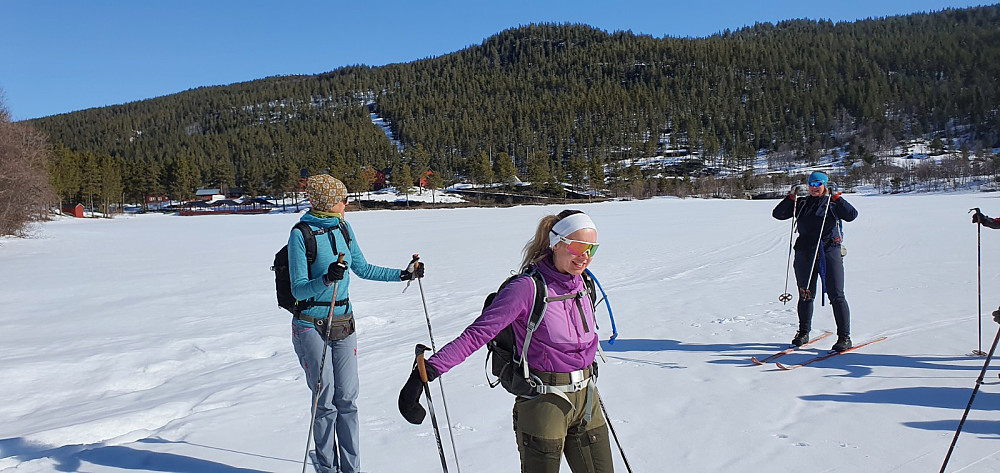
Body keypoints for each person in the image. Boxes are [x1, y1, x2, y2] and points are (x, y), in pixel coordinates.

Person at [397, 209, 614, 473]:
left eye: (592, 249)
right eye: (578, 247)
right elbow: (477, 334)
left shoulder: (583, 283)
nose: (585, 257)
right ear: (556, 243)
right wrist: (426, 372)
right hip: (543, 400)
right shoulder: (526, 288)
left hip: (587, 397)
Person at [289, 174, 424, 473]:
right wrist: (326, 279)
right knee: (325, 401)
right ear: (327, 202)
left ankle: (352, 469)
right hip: (310, 324)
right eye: (342, 199)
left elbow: (363, 268)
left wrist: (403, 275)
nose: (346, 203)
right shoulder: (301, 234)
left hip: (344, 322)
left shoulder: (344, 228)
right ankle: (326, 467)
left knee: (347, 398)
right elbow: (298, 288)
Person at [772, 171, 859, 352]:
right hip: (805, 252)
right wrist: (791, 197)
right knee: (805, 294)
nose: (814, 188)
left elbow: (851, 215)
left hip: (829, 251)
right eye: (811, 184)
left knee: (836, 294)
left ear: (825, 185)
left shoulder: (832, 203)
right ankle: (803, 332)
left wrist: (837, 197)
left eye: (818, 184)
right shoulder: (802, 203)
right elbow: (778, 214)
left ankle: (844, 337)